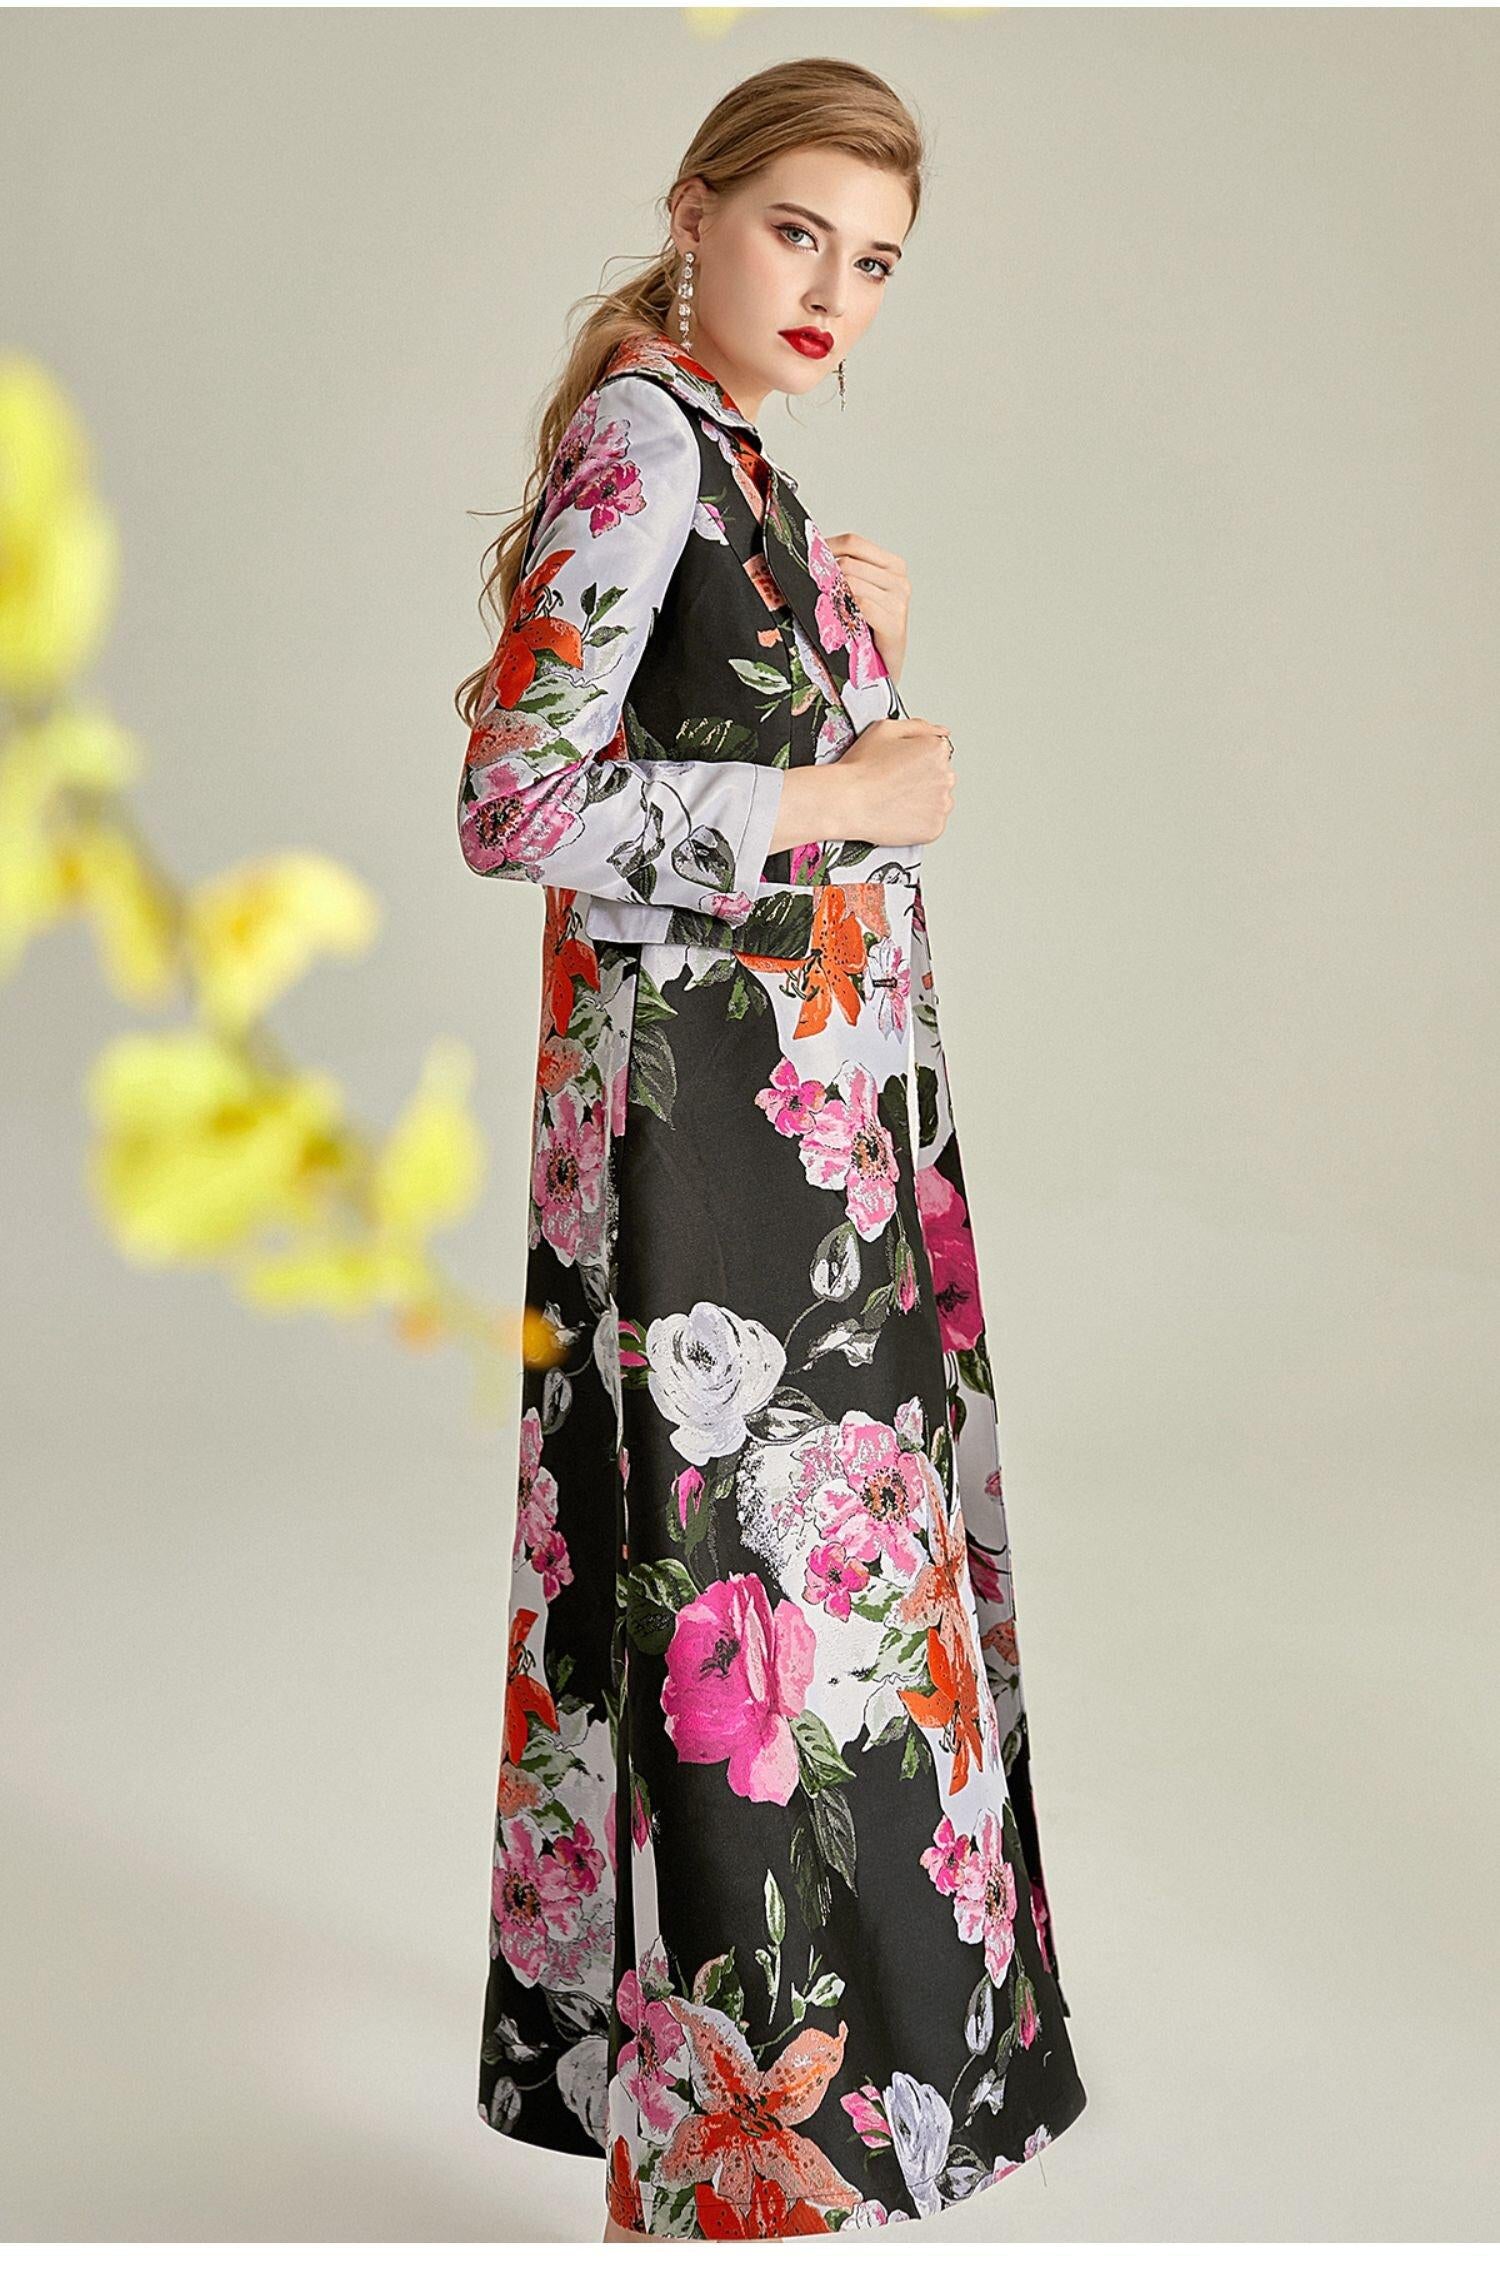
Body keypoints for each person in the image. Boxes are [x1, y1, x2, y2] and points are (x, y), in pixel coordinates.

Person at [453, 55, 1088, 2243]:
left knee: (800, 1618)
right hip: (711, 1153)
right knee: (742, 1622)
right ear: (697, 210)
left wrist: (851, 660)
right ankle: (742, 2158)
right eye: (799, 231)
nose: (833, 291)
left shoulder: (731, 460)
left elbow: (722, 765)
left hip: (796, 1145)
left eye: (876, 261)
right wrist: (847, 785)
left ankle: (783, 2133)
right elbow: (515, 801)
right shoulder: (647, 445)